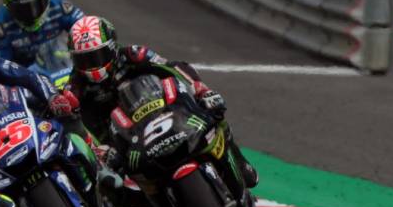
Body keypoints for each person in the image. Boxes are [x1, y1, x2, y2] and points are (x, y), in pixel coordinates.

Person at [66, 15, 257, 188]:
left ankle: (239, 162)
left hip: (164, 110)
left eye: (96, 57)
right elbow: (74, 124)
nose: (92, 66)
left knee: (213, 109)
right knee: (111, 187)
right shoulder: (75, 86)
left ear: (111, 48)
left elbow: (174, 67)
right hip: (122, 139)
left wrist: (202, 90)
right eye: (83, 60)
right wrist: (98, 149)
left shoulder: (134, 54)